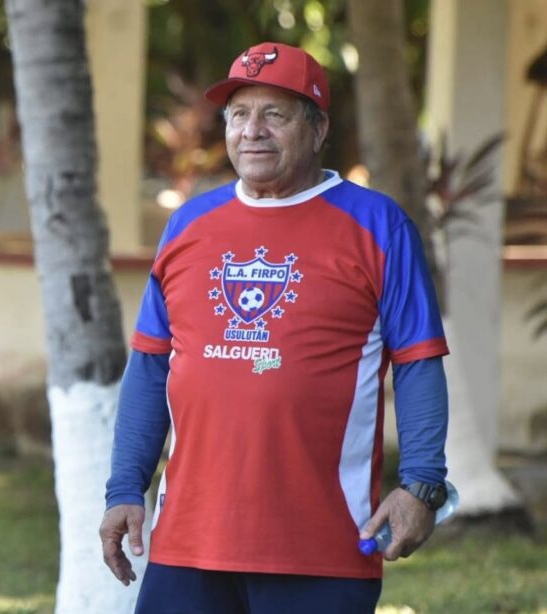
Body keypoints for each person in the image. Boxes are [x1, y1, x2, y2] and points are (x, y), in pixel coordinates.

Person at [98, 42, 451, 613]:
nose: (252, 131)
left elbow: (419, 362)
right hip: (187, 543)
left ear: (318, 129)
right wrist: (123, 488)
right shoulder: (188, 224)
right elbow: (151, 365)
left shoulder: (379, 226)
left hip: (321, 547)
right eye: (238, 114)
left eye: (275, 114)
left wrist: (421, 486)